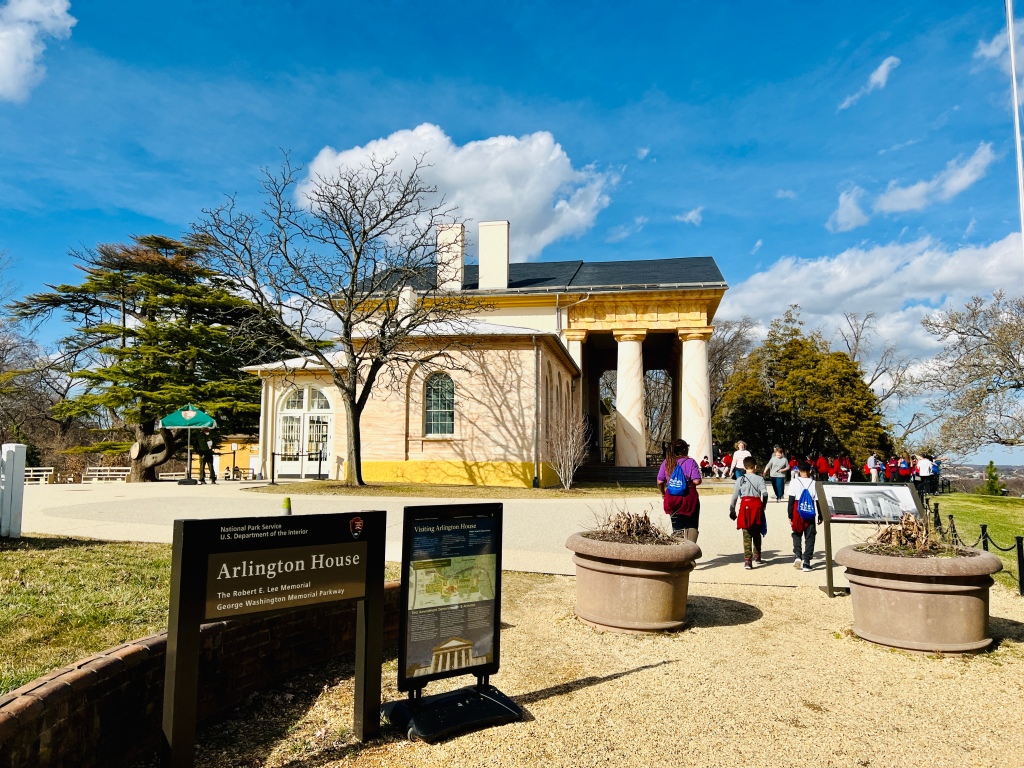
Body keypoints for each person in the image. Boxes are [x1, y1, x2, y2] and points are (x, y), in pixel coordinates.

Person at [657, 438, 702, 542]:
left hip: (672, 497)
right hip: (689, 496)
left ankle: (679, 553)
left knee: (677, 527)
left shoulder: (666, 463)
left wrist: (663, 493)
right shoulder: (690, 462)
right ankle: (690, 554)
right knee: (692, 525)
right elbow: (697, 481)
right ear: (685, 450)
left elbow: (660, 482)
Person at [730, 456, 768, 569]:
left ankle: (747, 560)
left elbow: (735, 497)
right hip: (756, 506)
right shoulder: (760, 479)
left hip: (745, 506)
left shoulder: (740, 480)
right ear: (755, 466)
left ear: (744, 467)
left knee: (746, 533)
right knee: (757, 531)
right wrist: (764, 505)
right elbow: (765, 494)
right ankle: (758, 555)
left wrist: (732, 510)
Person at [787, 460, 822, 572]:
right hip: (809, 510)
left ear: (798, 471)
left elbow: (791, 500)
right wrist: (820, 514)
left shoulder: (794, 482)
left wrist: (790, 515)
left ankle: (797, 555)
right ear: (810, 471)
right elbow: (818, 501)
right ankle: (807, 562)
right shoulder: (814, 483)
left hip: (797, 509)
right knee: (810, 536)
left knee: (797, 533)